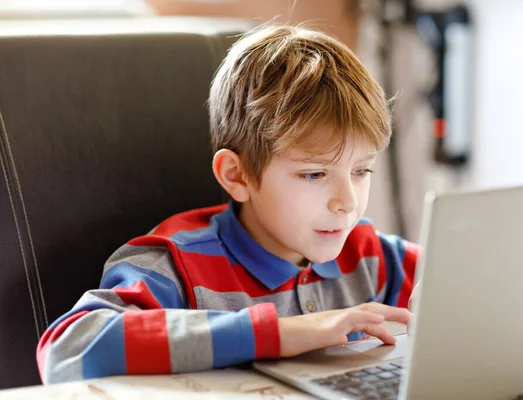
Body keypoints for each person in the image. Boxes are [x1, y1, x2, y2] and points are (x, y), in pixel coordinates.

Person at [36, 24, 420, 384]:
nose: (347, 203)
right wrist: (277, 334)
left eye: (361, 171)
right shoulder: (177, 265)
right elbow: (67, 350)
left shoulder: (371, 256)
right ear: (237, 176)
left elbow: (465, 284)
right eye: (314, 175)